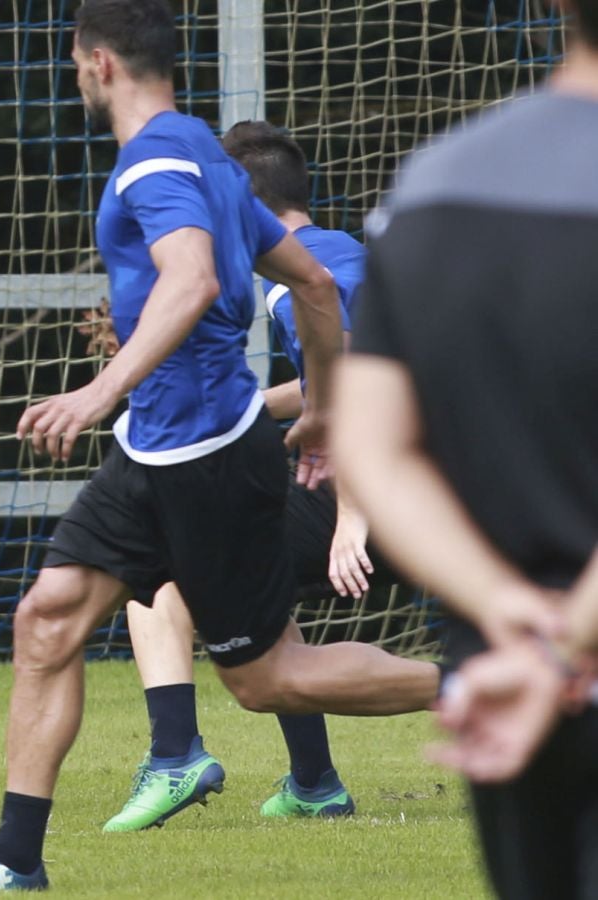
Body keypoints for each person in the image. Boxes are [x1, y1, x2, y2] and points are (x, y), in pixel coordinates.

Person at [0, 1, 436, 891]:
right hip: (157, 451)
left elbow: (190, 281)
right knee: (47, 619)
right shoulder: (208, 155)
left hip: (206, 458)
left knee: (268, 680)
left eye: (75, 63)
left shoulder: (154, 163)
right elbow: (310, 284)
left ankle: (499, 695)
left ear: (98, 63)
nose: (75, 75)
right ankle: (13, 862)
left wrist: (99, 389)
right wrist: (330, 409)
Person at [333, 0, 598, 892]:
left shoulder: (433, 185)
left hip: (501, 668)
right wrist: (568, 646)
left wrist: (509, 614)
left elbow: (373, 447)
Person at [104, 120, 422, 832]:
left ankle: (174, 753)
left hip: (392, 491)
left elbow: (351, 373)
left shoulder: (293, 283)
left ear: (240, 201)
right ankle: (312, 782)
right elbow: (337, 382)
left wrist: (353, 520)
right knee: (255, 588)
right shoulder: (346, 254)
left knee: (163, 564)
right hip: (453, 484)